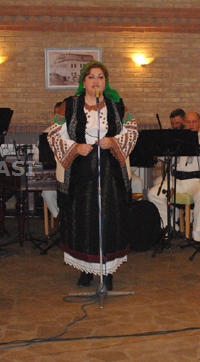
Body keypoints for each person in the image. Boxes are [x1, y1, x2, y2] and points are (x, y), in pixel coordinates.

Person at [47, 61, 138, 291]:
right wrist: (75, 147)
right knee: (83, 218)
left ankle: (107, 272)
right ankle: (85, 269)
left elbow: (132, 131)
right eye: (91, 77)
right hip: (80, 171)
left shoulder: (117, 106)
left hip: (111, 171)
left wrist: (114, 142)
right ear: (83, 81)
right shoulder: (68, 106)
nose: (96, 81)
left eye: (100, 77)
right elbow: (54, 135)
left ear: (105, 82)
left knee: (109, 218)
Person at [148, 111, 200, 242]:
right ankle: (170, 224)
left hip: (195, 180)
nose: (191, 125)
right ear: (184, 124)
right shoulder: (176, 139)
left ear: (199, 123)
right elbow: (164, 157)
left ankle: (197, 230)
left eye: (194, 122)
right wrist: (160, 148)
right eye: (188, 122)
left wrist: (192, 141)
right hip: (175, 180)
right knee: (153, 194)